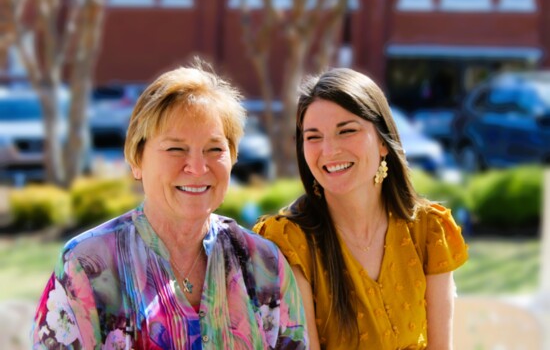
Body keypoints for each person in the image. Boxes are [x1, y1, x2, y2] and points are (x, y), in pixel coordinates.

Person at [31, 61, 309, 349]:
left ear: (233, 157)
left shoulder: (262, 264)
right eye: (176, 149)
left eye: (215, 149)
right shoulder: (88, 266)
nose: (198, 167)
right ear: (137, 160)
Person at [253, 67, 468, 349]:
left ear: (383, 142)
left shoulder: (429, 229)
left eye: (347, 131)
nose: (329, 151)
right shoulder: (288, 240)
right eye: (314, 137)